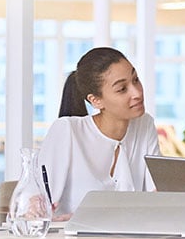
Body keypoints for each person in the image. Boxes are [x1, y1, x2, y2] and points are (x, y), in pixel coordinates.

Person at [39, 46, 160, 220]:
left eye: (135, 80)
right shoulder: (67, 131)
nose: (137, 93)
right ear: (96, 101)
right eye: (122, 89)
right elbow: (36, 200)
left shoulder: (144, 125)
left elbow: (157, 195)